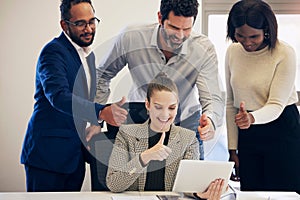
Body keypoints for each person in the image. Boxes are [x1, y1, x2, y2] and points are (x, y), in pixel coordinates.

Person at [94, 0, 225, 160]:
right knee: (138, 178)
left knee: (190, 181)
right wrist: (97, 115)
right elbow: (102, 75)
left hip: (186, 121)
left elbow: (213, 96)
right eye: (174, 28)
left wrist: (211, 119)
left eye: (187, 29)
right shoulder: (131, 37)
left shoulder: (203, 48)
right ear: (160, 18)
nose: (180, 35)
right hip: (141, 119)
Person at [20, 0, 127, 192]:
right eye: (80, 23)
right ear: (64, 25)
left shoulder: (88, 56)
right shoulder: (53, 52)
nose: (88, 29)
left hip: (74, 156)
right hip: (48, 157)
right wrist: (101, 112)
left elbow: (85, 101)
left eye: (92, 21)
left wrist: (96, 123)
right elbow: (59, 96)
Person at [106, 73, 225, 199]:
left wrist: (199, 193)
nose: (165, 115)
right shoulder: (127, 134)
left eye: (172, 108)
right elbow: (114, 184)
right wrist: (144, 157)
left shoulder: (188, 139)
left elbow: (188, 186)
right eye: (158, 107)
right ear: (148, 105)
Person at [225, 0, 300, 193]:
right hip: (248, 132)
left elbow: (276, 104)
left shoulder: (284, 53)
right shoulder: (233, 51)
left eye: (254, 36)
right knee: (252, 194)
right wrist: (232, 150)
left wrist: (251, 117)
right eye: (240, 35)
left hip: (282, 129)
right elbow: (230, 104)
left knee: (284, 194)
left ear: (266, 30)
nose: (247, 42)